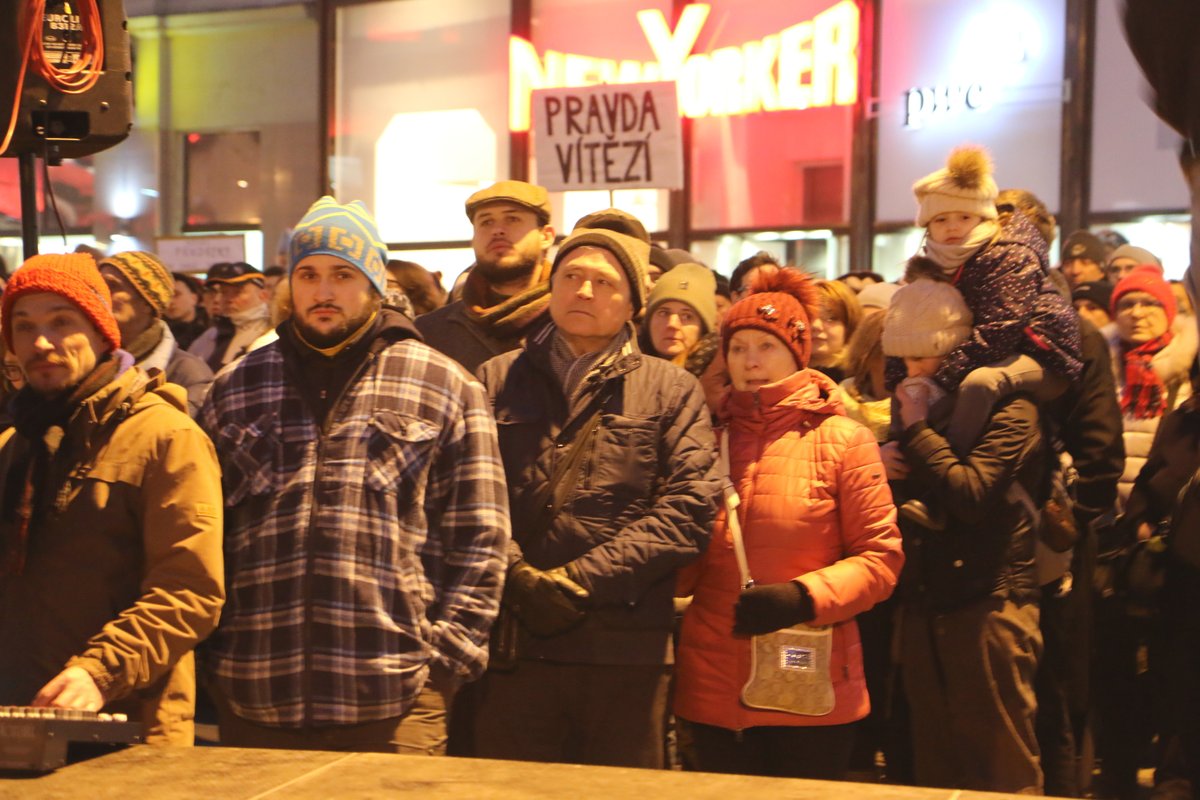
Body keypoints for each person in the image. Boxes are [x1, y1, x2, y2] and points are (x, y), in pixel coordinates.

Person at [200, 197, 510, 754]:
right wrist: (217, 656)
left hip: (396, 698)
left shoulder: (445, 384)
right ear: (288, 285)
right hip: (254, 692)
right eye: (308, 274)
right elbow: (205, 535)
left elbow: (481, 537)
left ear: (374, 282)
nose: (323, 292)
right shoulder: (235, 387)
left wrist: (443, 665)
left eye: (343, 275)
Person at [472, 225, 720, 768]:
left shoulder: (671, 388)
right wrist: (516, 574)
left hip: (623, 649)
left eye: (603, 282)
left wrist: (581, 579)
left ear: (633, 301)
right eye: (571, 277)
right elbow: (464, 497)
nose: (584, 291)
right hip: (512, 645)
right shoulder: (494, 378)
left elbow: (691, 508)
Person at [673, 267, 902, 780]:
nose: (750, 361)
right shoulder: (703, 438)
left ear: (798, 352)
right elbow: (683, 557)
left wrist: (803, 596)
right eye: (738, 348)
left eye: (766, 346)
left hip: (808, 680)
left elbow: (881, 559)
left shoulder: (842, 439)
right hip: (710, 682)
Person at [0, 253, 224, 745]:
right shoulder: (14, 447)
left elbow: (189, 592)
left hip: (127, 730)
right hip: (20, 726)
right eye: (24, 326)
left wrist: (99, 672)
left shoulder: (164, 437)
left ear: (102, 331)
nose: (41, 342)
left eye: (62, 322)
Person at [881, 277, 1047, 794]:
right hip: (927, 602)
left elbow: (972, 494)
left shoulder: (1012, 409)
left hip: (990, 602)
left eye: (924, 358)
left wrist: (915, 429)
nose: (914, 372)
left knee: (1001, 762)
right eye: (903, 361)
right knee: (937, 763)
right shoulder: (918, 408)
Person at [417, 180, 555, 372]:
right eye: (486, 222)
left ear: (546, 236)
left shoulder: (571, 322)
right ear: (473, 239)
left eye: (512, 219)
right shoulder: (431, 332)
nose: (497, 230)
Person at [97, 251, 214, 417]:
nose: (101, 294)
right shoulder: (89, 360)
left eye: (113, 286)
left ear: (146, 302)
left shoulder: (188, 373)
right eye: (98, 286)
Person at [639, 261, 727, 415]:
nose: (672, 324)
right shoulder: (628, 371)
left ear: (703, 328)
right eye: (663, 312)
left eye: (687, 316)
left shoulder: (721, 382)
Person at [188, 262, 272, 372]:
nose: (229, 299)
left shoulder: (276, 331)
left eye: (238, 292)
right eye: (224, 292)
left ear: (263, 295)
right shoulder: (211, 336)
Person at [811, 279, 863, 384]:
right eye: (809, 316)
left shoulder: (861, 378)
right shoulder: (786, 373)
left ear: (850, 325)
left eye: (830, 318)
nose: (816, 326)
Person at [165, 272, 210, 351]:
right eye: (166, 296)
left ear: (194, 298)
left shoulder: (210, 333)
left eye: (176, 294)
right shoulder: (157, 335)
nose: (170, 301)